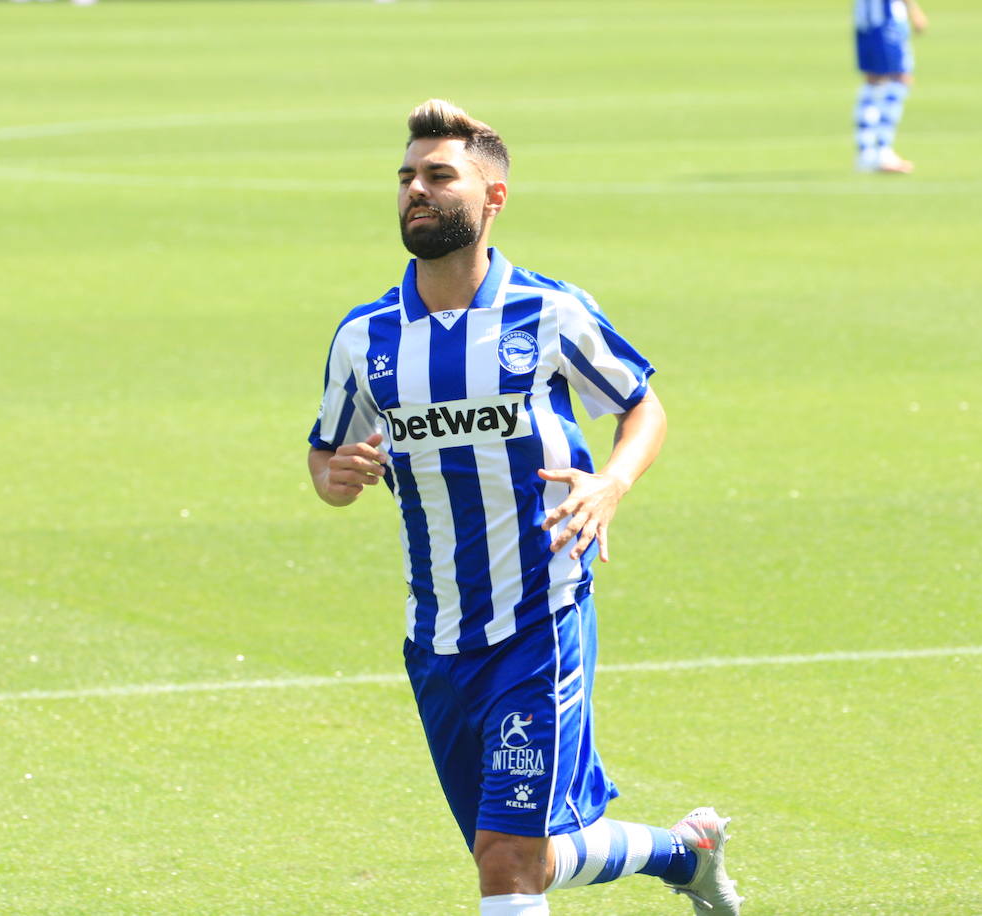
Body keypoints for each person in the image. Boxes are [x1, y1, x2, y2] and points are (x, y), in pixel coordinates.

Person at [307, 99, 742, 916]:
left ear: (493, 197)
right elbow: (326, 453)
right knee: (521, 859)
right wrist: (337, 477)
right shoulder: (364, 339)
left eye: (439, 175)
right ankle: (685, 854)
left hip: (540, 618)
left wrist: (610, 483)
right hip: (435, 636)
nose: (416, 191)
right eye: (406, 177)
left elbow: (641, 406)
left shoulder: (548, 313)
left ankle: (683, 856)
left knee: (504, 864)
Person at [853, 0, 928, 173]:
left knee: (873, 82)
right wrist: (914, 11)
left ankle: (866, 152)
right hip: (886, 20)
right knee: (899, 80)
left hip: (865, 20)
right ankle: (883, 151)